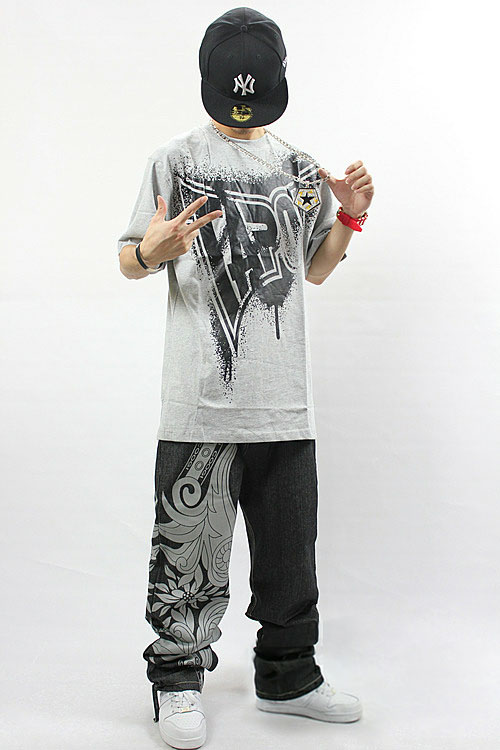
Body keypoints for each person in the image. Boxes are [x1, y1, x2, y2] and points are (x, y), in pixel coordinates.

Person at [117, 6, 374, 748]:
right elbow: (128, 259)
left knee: (291, 559)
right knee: (187, 553)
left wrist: (350, 216)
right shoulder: (172, 160)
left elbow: (314, 270)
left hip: (283, 404)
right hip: (199, 404)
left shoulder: (301, 168)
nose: (242, 111)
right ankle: (177, 680)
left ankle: (289, 677)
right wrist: (154, 249)